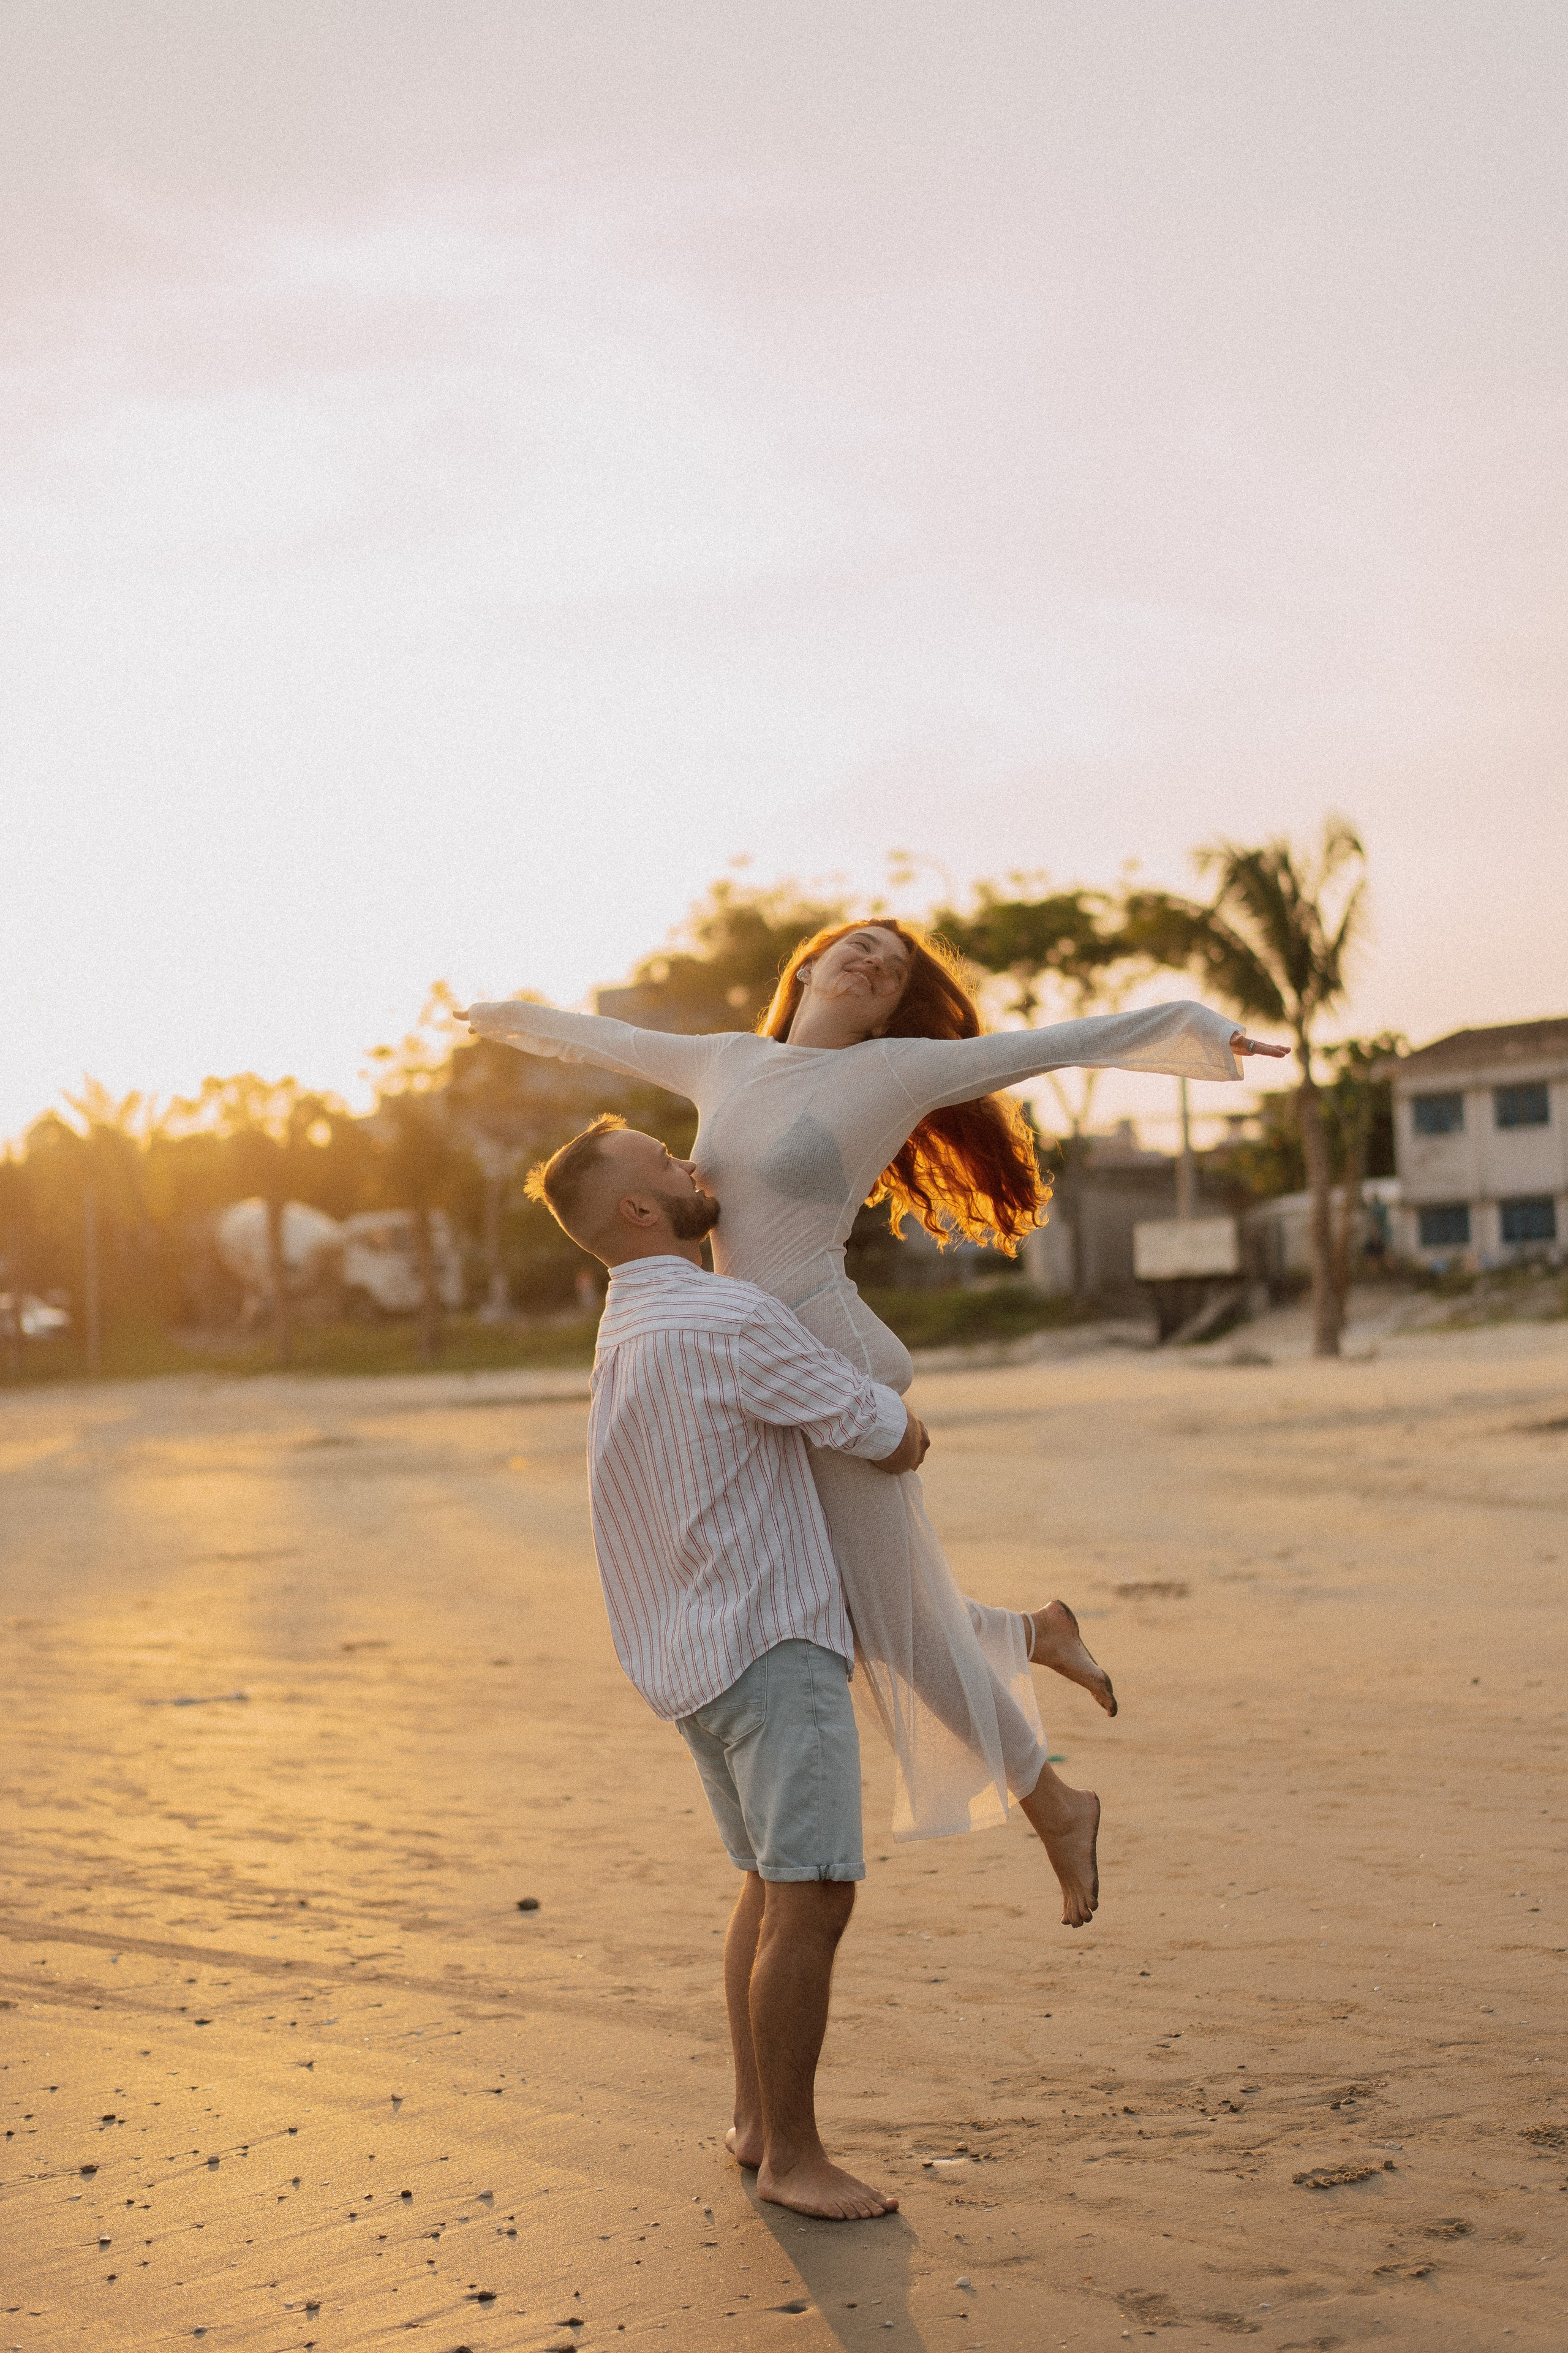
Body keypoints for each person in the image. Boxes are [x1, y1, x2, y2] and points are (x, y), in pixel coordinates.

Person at [465, 925, 1286, 1919]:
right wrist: (489, 1016)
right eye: (858, 948)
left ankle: (1057, 1805)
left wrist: (1205, 1031)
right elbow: (604, 1038)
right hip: (761, 1367)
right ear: (807, 966)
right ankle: (1034, 1635)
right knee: (860, 1605)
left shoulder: (894, 1071)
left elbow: (1061, 1042)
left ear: (895, 1009)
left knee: (889, 1624)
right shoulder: (725, 1060)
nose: (875, 965)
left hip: (827, 1357)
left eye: (894, 972)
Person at [529, 1111, 927, 2219]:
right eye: (665, 1161)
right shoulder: (725, 1316)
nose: (692, 1162)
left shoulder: (626, 1327)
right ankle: (795, 2155)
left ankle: (757, 2122)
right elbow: (884, 1431)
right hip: (770, 1644)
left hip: (692, 1660)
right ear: (640, 1208)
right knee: (814, 1895)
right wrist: (901, 1414)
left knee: (767, 1882)